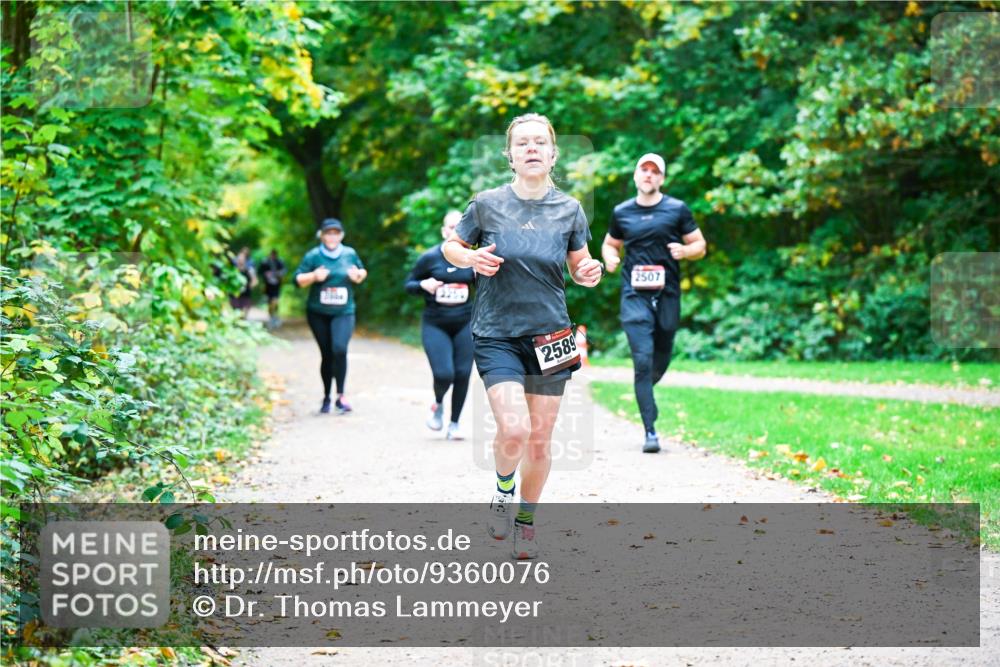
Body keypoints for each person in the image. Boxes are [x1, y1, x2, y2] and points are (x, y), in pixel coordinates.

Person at [443, 113, 603, 559]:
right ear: (510, 156)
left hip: (551, 335)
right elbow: (451, 247)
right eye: (522, 143)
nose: (531, 148)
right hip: (496, 332)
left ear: (553, 154)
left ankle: (527, 521)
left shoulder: (569, 209)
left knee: (539, 439)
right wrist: (470, 259)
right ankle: (501, 490)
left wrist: (591, 272)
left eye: (539, 142)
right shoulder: (486, 204)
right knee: (513, 428)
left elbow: (580, 267)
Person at [601, 153, 706, 453]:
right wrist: (610, 258)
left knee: (661, 355)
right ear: (635, 176)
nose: (648, 175)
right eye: (643, 170)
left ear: (661, 178)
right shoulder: (622, 212)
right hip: (634, 296)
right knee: (642, 361)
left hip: (668, 294)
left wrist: (687, 252)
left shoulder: (676, 209)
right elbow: (610, 243)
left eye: (654, 171)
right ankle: (650, 430)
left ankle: (644, 388)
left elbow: (699, 244)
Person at [404, 210, 475, 440]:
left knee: (463, 373)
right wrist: (424, 285)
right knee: (444, 374)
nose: (455, 230)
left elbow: (488, 288)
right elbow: (409, 285)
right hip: (436, 323)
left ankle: (454, 424)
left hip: (465, 322)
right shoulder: (429, 257)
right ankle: (438, 403)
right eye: (451, 227)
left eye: (459, 226)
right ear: (444, 231)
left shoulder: (472, 258)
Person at [294, 218, 368, 415]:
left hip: (344, 311)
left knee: (339, 349)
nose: (332, 237)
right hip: (318, 313)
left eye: (336, 233)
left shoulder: (349, 254)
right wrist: (314, 277)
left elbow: (361, 271)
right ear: (322, 235)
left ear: (341, 235)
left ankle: (341, 396)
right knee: (327, 354)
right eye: (328, 233)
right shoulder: (313, 256)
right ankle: (327, 396)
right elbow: (298, 279)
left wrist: (358, 276)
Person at [259, 249, 286, 329]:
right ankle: (271, 318)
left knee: (275, 301)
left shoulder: (280, 262)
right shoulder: (265, 262)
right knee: (269, 302)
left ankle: (274, 317)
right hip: (268, 286)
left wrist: (278, 274)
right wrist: (266, 274)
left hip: (276, 285)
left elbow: (284, 270)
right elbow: (260, 272)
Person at [229, 247, 257, 317]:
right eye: (239, 259)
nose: (240, 260)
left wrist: (251, 286)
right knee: (235, 309)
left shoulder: (249, 269)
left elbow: (254, 280)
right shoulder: (232, 269)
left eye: (242, 259)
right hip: (234, 292)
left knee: (244, 309)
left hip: (245, 292)